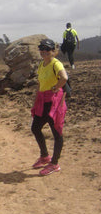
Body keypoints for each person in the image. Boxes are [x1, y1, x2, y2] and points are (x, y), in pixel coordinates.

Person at [31, 39, 68, 176]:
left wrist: (55, 87)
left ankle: (54, 163)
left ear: (53, 51)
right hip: (42, 101)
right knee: (35, 128)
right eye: (42, 49)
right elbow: (39, 84)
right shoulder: (41, 64)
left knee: (57, 132)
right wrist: (35, 102)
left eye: (47, 49)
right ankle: (45, 156)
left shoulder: (55, 63)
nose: (44, 51)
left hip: (54, 102)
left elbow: (64, 77)